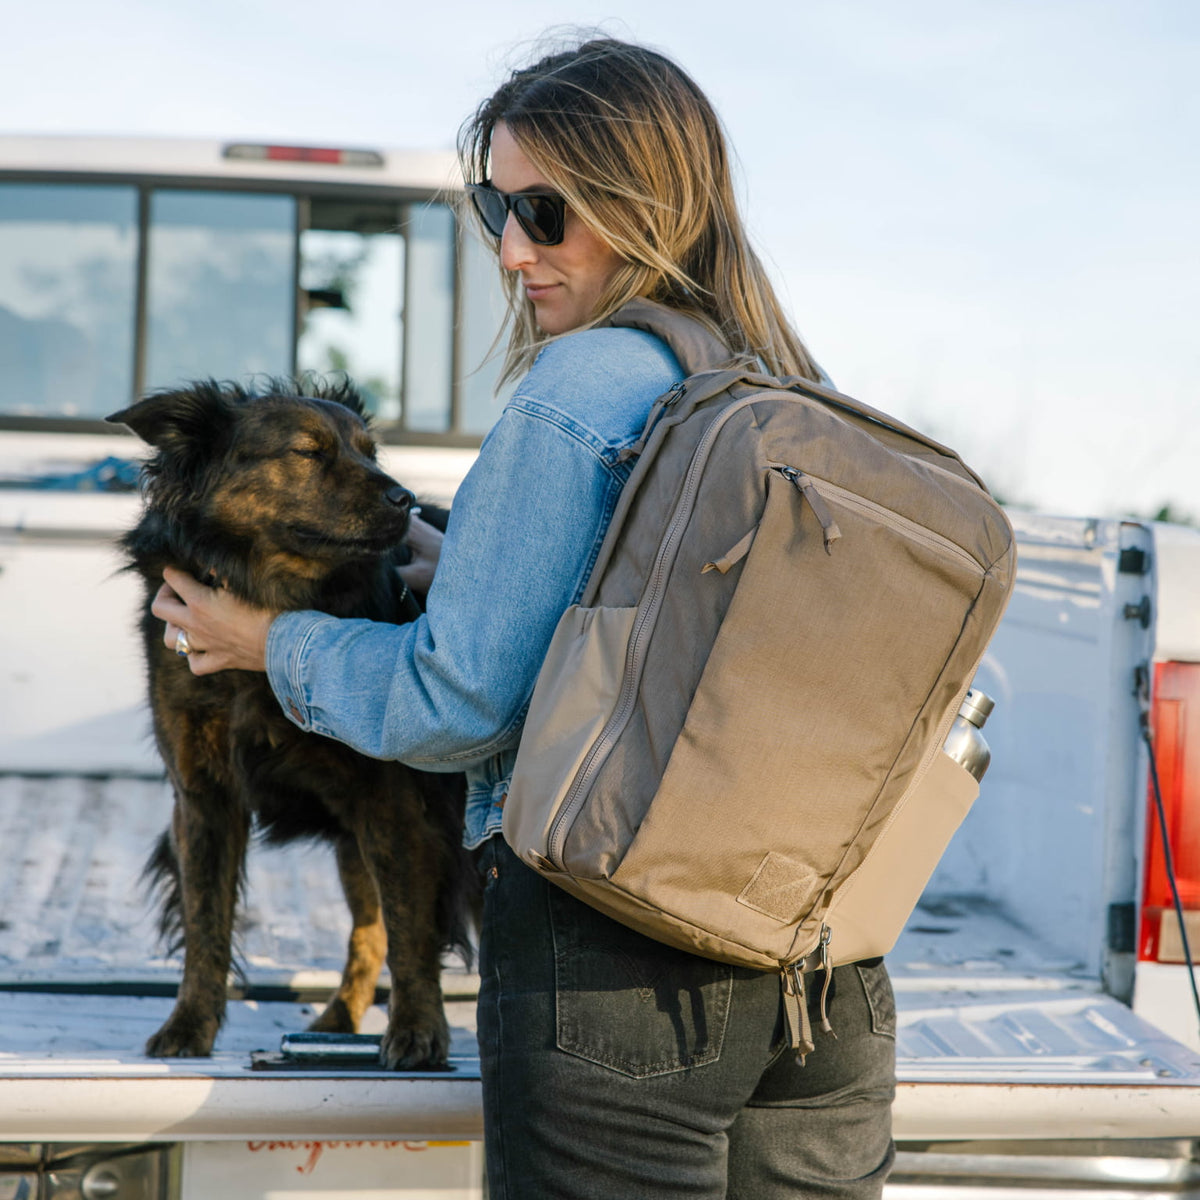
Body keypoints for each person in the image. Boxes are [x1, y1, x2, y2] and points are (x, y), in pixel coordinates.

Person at [151, 36, 896, 1198]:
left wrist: (264, 643)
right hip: (831, 983)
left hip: (621, 980)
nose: (509, 250)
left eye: (544, 212)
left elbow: (457, 707)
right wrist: (468, 565)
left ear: (645, 205)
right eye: (496, 207)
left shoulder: (575, 395)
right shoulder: (782, 382)